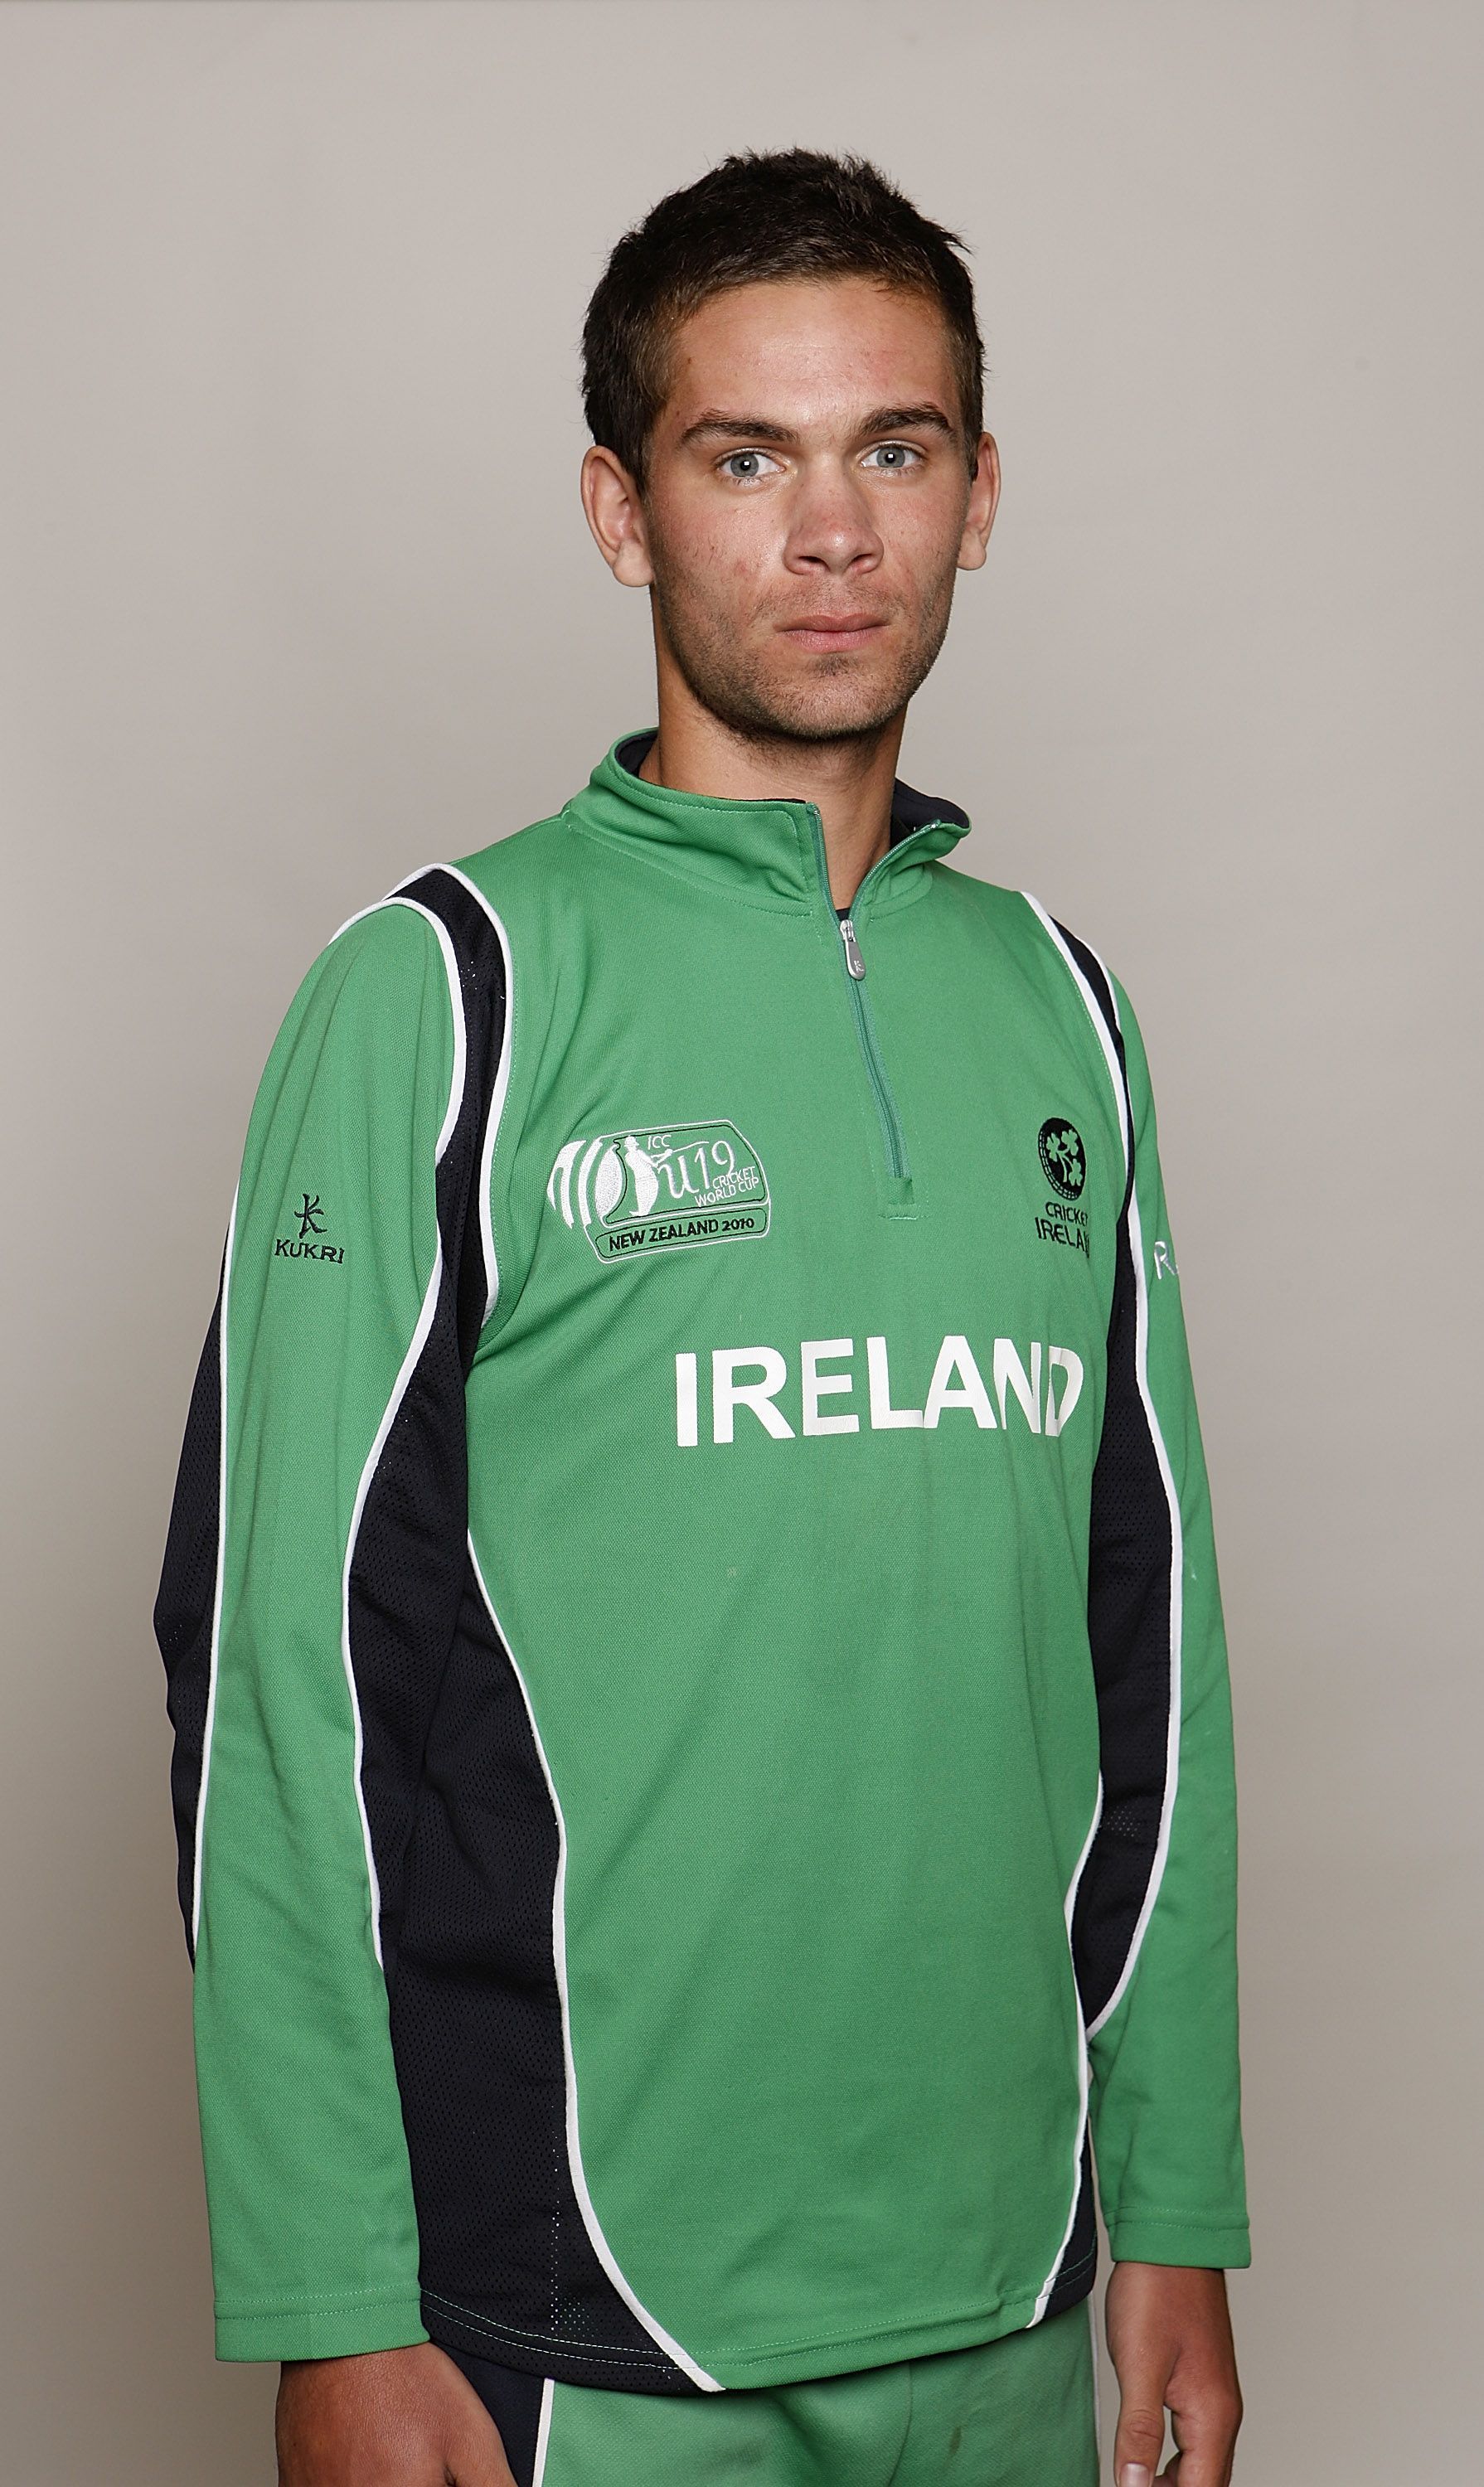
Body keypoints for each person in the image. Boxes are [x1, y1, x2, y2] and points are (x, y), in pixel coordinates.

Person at [156, 149, 1249, 2487]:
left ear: (977, 493)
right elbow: (280, 1684)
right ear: (620, 509)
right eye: (745, 456)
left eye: (897, 449)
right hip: (572, 2316)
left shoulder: (1066, 1008)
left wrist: (1171, 2206)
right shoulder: (437, 994)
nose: (832, 531)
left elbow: (1153, 1653)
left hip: (1010, 2293)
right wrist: (331, 2297)